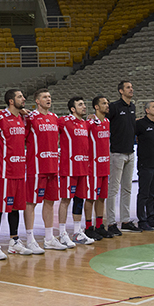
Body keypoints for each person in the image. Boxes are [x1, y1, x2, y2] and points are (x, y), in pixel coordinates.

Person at [0, 89, 33, 256]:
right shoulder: (0, 118)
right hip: (4, 171)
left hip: (19, 170)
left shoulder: (22, 118)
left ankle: (14, 241)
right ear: (10, 101)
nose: (23, 99)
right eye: (19, 96)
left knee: (16, 208)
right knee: (0, 208)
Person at [24, 89, 65, 251]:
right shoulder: (30, 118)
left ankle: (49, 238)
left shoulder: (54, 118)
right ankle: (29, 238)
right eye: (44, 97)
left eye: (49, 96)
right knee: (31, 203)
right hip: (36, 166)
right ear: (37, 101)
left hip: (53, 166)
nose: (48, 99)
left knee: (50, 201)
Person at [105, 81, 141, 235]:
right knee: (113, 189)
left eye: (131, 87)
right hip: (117, 152)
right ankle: (111, 222)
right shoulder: (114, 107)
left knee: (127, 188)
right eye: (128, 87)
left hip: (130, 152)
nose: (131, 89)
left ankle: (125, 220)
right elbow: (104, 122)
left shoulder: (132, 107)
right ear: (120, 91)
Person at [79, 96, 113, 241]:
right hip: (93, 167)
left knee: (102, 197)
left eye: (107, 103)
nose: (107, 105)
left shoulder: (107, 121)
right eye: (104, 103)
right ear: (96, 107)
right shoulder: (90, 122)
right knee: (91, 198)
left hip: (105, 165)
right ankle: (88, 227)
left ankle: (100, 225)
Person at [57, 97, 89, 245]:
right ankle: (62, 233)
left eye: (84, 104)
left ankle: (77, 232)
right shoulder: (64, 121)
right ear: (72, 109)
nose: (84, 106)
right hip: (69, 168)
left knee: (79, 199)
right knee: (66, 200)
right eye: (80, 104)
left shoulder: (85, 124)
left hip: (83, 167)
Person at [135, 101, 154, 231]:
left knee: (153, 193)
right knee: (144, 194)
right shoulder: (140, 124)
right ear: (147, 110)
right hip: (145, 164)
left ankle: (151, 218)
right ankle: (142, 220)